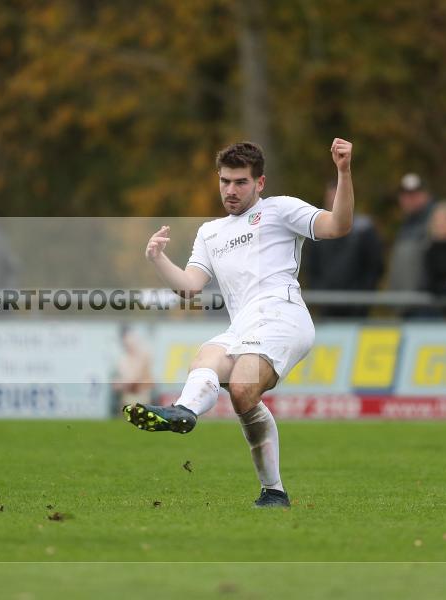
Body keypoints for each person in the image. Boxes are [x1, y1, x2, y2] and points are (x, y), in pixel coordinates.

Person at [124, 138, 355, 508]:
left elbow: (338, 225)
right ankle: (186, 413)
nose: (230, 190)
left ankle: (264, 481)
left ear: (259, 183)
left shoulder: (280, 209)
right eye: (225, 181)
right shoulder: (210, 232)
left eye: (240, 182)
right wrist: (158, 259)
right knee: (207, 359)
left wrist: (343, 172)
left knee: (243, 386)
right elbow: (189, 287)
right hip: (244, 326)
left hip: (283, 316)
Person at [303, 180, 384, 317]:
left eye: (337, 197)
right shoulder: (316, 230)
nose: (334, 202)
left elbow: (374, 267)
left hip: (358, 306)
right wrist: (320, 295)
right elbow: (311, 267)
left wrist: (363, 296)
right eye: (330, 197)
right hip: (326, 306)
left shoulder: (363, 229)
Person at [386, 173, 435, 294]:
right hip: (405, 300)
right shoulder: (406, 224)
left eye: (414, 194)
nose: (409, 199)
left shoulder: (438, 221)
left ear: (426, 195)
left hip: (427, 300)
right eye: (405, 195)